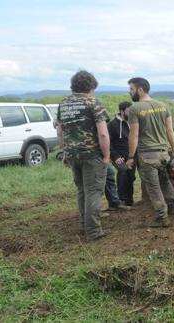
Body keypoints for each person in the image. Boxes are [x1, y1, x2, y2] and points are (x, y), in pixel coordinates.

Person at [56, 70, 111, 241]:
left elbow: (60, 131)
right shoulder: (93, 102)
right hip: (91, 154)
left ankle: (83, 224)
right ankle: (94, 232)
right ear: (91, 86)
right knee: (93, 191)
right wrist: (107, 155)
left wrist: (65, 151)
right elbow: (103, 133)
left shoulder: (63, 104)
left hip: (73, 154)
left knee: (81, 190)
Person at [125, 77, 174, 227]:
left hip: (148, 155)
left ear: (140, 90)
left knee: (153, 187)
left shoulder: (135, 108)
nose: (130, 92)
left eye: (131, 89)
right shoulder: (163, 106)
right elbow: (170, 131)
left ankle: (162, 217)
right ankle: (172, 206)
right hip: (164, 153)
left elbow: (134, 135)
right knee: (165, 181)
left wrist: (130, 157)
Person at [108, 101, 136, 207]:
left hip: (131, 156)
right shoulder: (112, 125)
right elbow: (108, 143)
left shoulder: (133, 123)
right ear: (122, 111)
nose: (132, 113)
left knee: (131, 176)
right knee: (123, 170)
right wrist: (115, 156)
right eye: (130, 111)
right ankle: (121, 200)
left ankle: (129, 200)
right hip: (118, 156)